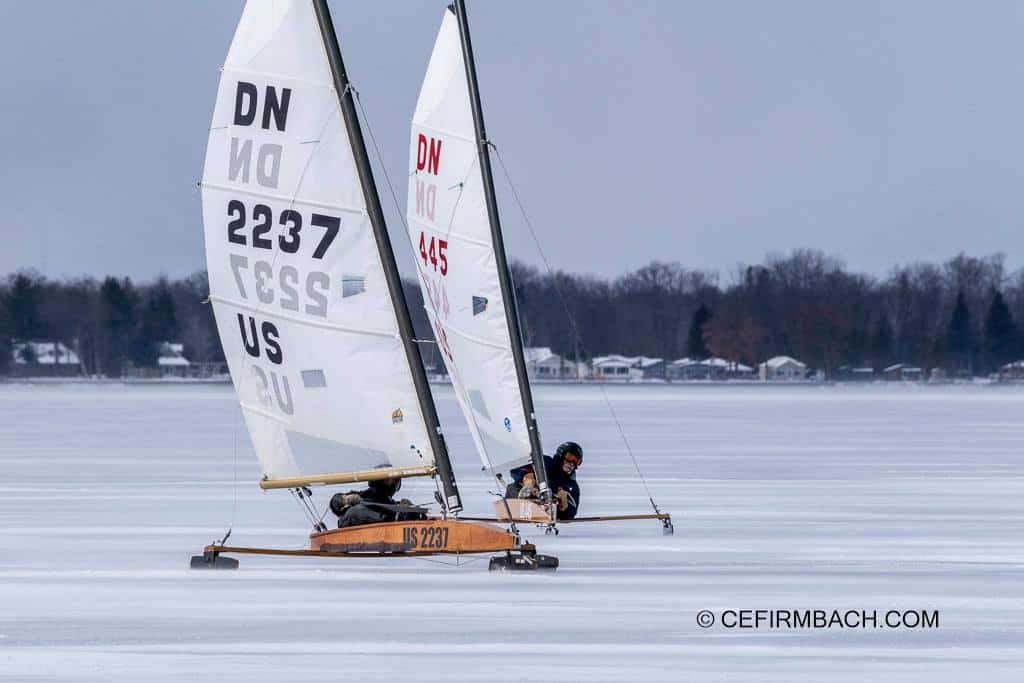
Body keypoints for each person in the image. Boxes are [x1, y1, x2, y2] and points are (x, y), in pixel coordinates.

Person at [506, 441, 583, 520]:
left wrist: (565, 505)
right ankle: (521, 500)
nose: (572, 463)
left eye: (577, 461)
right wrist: (527, 477)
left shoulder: (572, 485)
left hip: (549, 506)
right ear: (561, 454)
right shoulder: (544, 462)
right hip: (524, 494)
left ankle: (544, 507)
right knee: (515, 487)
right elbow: (516, 468)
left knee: (562, 498)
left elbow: (573, 511)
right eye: (570, 457)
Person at [329, 476, 426, 528]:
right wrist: (344, 500)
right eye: (392, 480)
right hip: (352, 525)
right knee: (357, 511)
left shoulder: (390, 503)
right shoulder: (363, 496)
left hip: (388, 526)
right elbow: (335, 502)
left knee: (406, 512)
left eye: (397, 481)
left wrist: (411, 510)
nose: (394, 484)